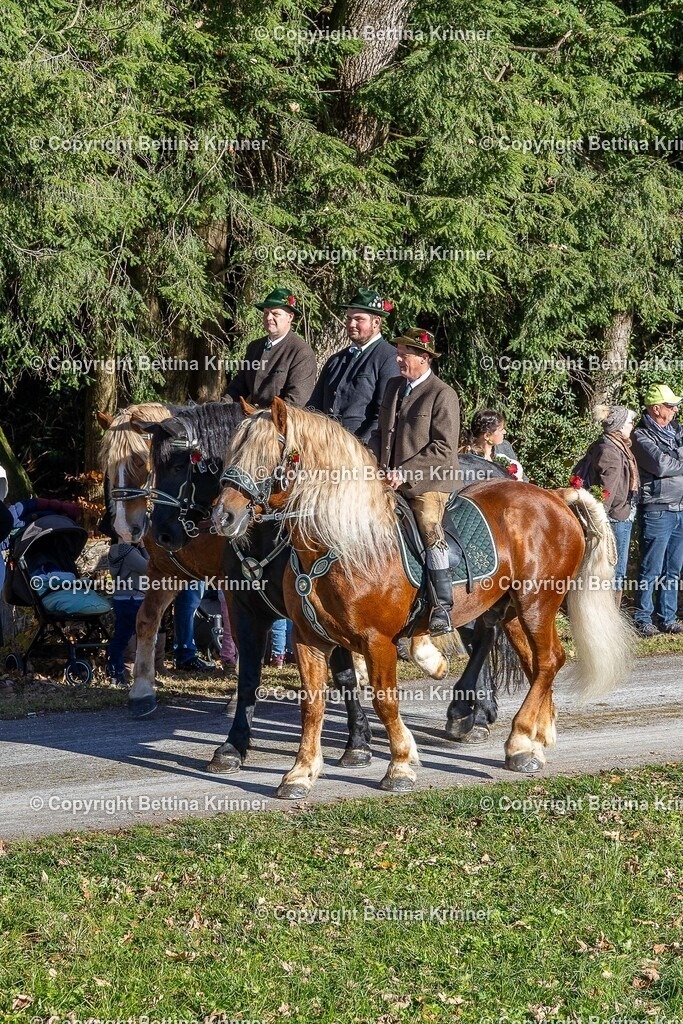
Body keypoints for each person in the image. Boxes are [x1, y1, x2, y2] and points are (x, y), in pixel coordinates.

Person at [369, 328, 459, 635]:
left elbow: (444, 449)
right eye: (397, 352)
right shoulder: (394, 386)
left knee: (429, 527)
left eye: (403, 354)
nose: (397, 358)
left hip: (429, 483)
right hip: (387, 479)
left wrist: (405, 471)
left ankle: (442, 606)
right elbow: (382, 434)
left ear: (423, 357)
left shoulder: (442, 394)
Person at [309, 287, 401, 443]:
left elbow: (384, 415)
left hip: (361, 452)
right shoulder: (335, 360)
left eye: (359, 319)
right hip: (323, 446)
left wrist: (358, 448)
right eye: (348, 318)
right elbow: (314, 406)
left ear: (376, 322)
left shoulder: (389, 357)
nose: (351, 324)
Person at [631, 384, 683, 636]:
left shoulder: (676, 431)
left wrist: (675, 460)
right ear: (656, 408)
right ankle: (642, 618)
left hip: (680, 508)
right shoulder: (641, 436)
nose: (675, 410)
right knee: (651, 567)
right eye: (671, 405)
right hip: (657, 509)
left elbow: (669, 462)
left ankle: (668, 617)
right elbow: (660, 466)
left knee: (673, 568)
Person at [574, 405, 640, 606]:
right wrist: (602, 519)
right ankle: (609, 613)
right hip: (615, 518)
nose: (632, 426)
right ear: (619, 426)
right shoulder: (611, 450)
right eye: (629, 422)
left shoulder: (611, 445)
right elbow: (606, 491)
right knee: (614, 569)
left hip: (616, 515)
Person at [225, 288, 316, 407]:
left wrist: (263, 420)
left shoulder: (301, 352)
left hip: (280, 422)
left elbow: (295, 403)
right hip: (252, 419)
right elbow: (238, 387)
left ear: (290, 317)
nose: (268, 318)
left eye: (275, 314)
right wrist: (218, 409)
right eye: (266, 312)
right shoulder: (254, 347)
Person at [107, 537, 150, 686]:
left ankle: (115, 670)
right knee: (145, 637)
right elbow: (149, 567)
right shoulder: (130, 552)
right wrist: (143, 548)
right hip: (134, 598)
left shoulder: (114, 550)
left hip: (120, 598)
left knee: (121, 637)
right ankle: (136, 673)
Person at [459, 409, 525, 479]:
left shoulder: (504, 447)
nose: (505, 432)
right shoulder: (468, 457)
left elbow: (523, 477)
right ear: (487, 436)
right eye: (501, 429)